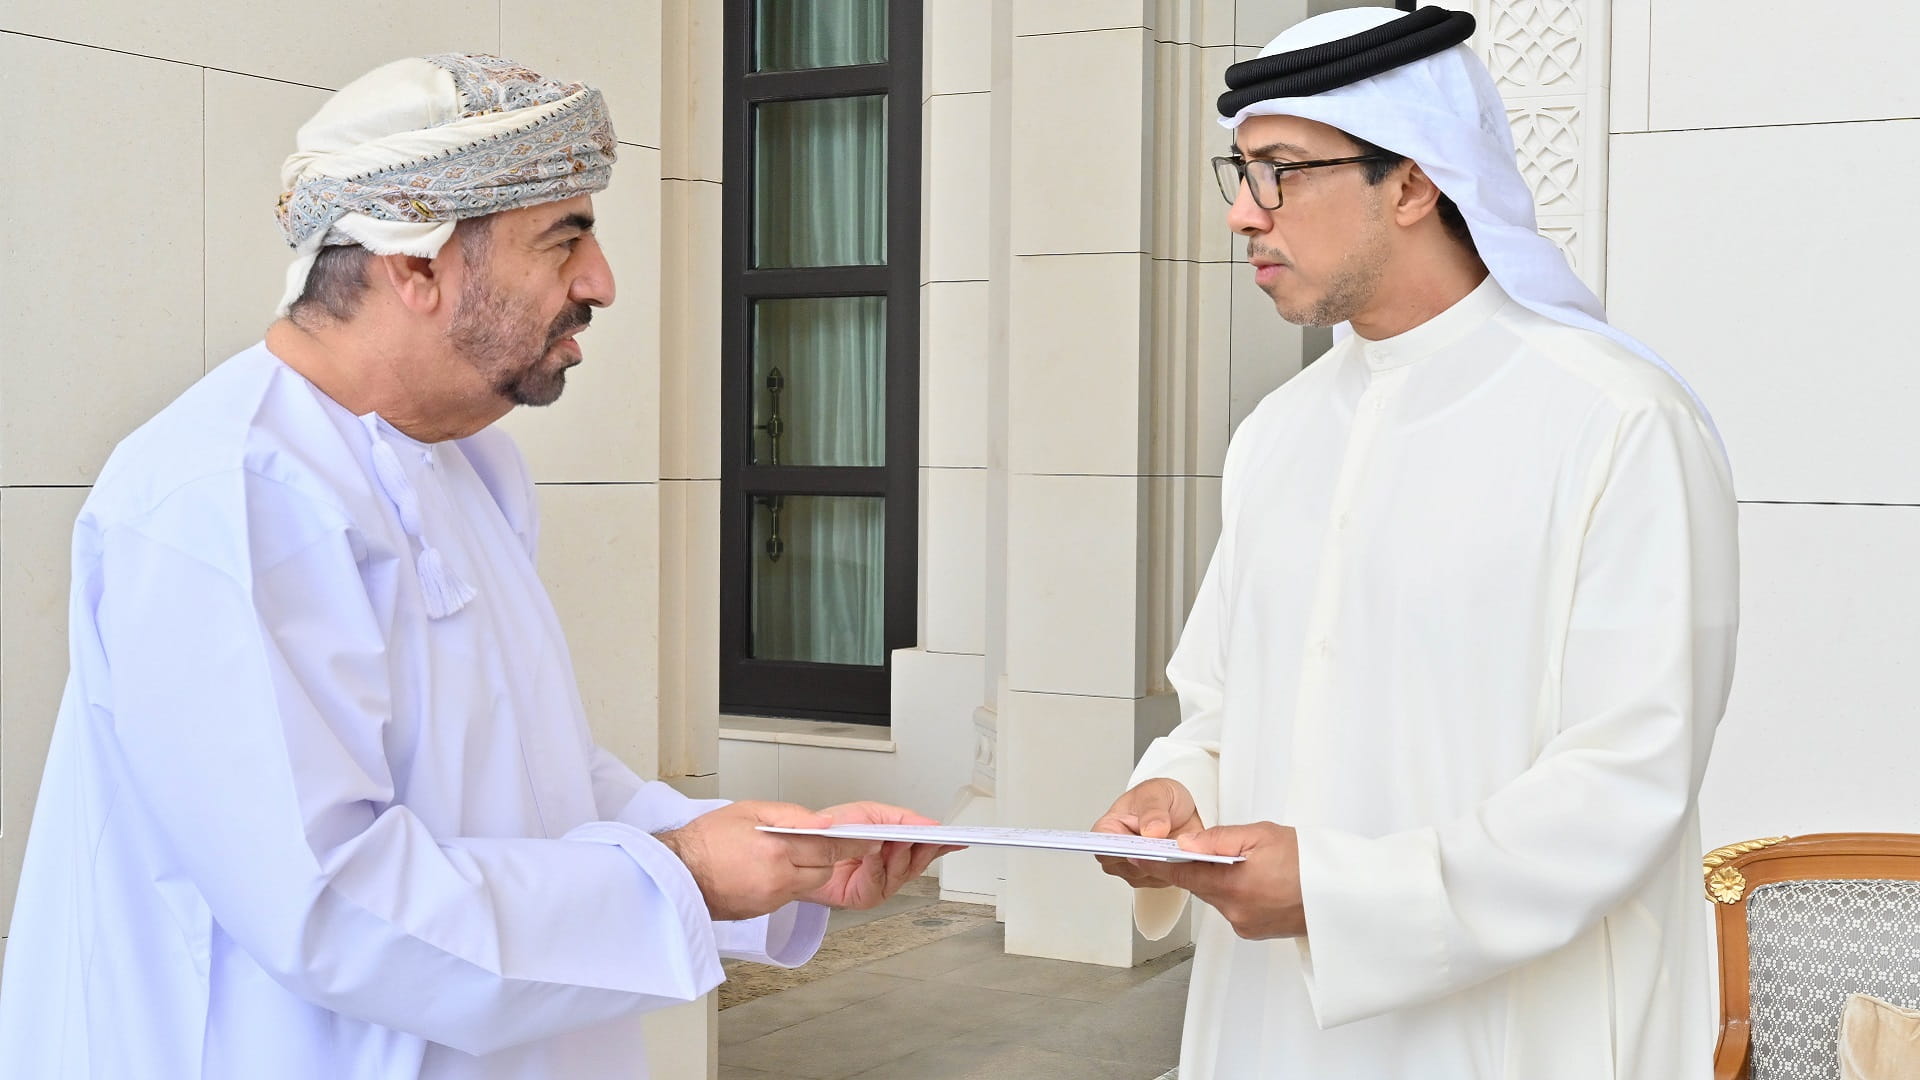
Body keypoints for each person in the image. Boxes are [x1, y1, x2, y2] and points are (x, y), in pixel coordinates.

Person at [0, 53, 951, 1079]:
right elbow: (330, 903)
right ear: (415, 267)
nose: (602, 283)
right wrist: (686, 873)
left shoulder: (468, 466)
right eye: (565, 239)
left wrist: (764, 852)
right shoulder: (223, 492)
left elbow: (540, 782)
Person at [1090, 7, 1737, 1078]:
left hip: (1510, 1035)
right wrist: (1177, 790)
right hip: (1267, 1024)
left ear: (1412, 182)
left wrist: (1344, 896)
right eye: (1240, 172)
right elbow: (1222, 701)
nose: (1244, 217)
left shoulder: (1617, 422)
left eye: (1281, 172)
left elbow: (1629, 779)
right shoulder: (1278, 434)